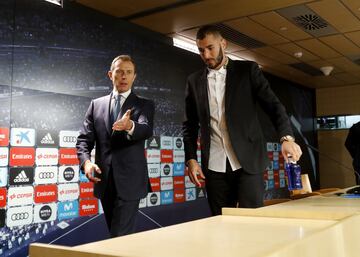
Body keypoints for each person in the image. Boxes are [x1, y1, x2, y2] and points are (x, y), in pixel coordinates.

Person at [182, 25, 302, 216]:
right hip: (214, 166)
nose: (206, 55)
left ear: (223, 44)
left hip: (248, 162)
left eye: (210, 48)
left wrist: (286, 138)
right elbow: (189, 124)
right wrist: (190, 159)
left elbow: (274, 106)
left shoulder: (248, 71)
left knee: (251, 221)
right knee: (221, 224)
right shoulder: (194, 81)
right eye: (201, 50)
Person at [76, 55, 155, 237]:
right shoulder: (96, 105)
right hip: (104, 182)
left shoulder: (144, 105)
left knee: (119, 235)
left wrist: (129, 126)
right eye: (119, 72)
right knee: (118, 236)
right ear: (110, 75)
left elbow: (146, 129)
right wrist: (86, 163)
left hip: (130, 182)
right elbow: (83, 140)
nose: (124, 76)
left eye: (129, 72)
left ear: (134, 76)